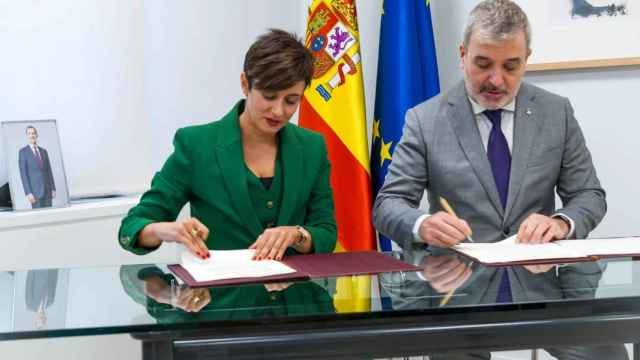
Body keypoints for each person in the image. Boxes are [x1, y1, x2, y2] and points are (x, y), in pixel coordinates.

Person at [373, 1, 621, 358]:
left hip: (544, 287)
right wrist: (423, 223)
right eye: (483, 64)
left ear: (526, 59)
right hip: (456, 291)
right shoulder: (425, 120)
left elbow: (589, 195)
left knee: (605, 351)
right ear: (463, 55)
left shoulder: (557, 112)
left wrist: (560, 223)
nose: (496, 80)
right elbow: (388, 205)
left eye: (511, 66)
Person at [119, 29, 337, 261]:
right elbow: (131, 227)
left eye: (291, 100)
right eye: (269, 96)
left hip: (298, 293)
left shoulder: (312, 146)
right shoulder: (196, 146)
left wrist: (297, 235)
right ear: (245, 84)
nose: (279, 111)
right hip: (222, 295)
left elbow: (326, 232)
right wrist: (164, 229)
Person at [18, 126, 56, 209]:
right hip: (35, 193)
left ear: (37, 135)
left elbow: (49, 171)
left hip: (48, 191)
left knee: (49, 216)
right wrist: (28, 193)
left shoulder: (44, 151)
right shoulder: (23, 152)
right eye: (29, 133)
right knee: (39, 217)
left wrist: (53, 188)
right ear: (27, 136)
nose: (32, 135)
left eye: (33, 133)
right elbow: (23, 175)